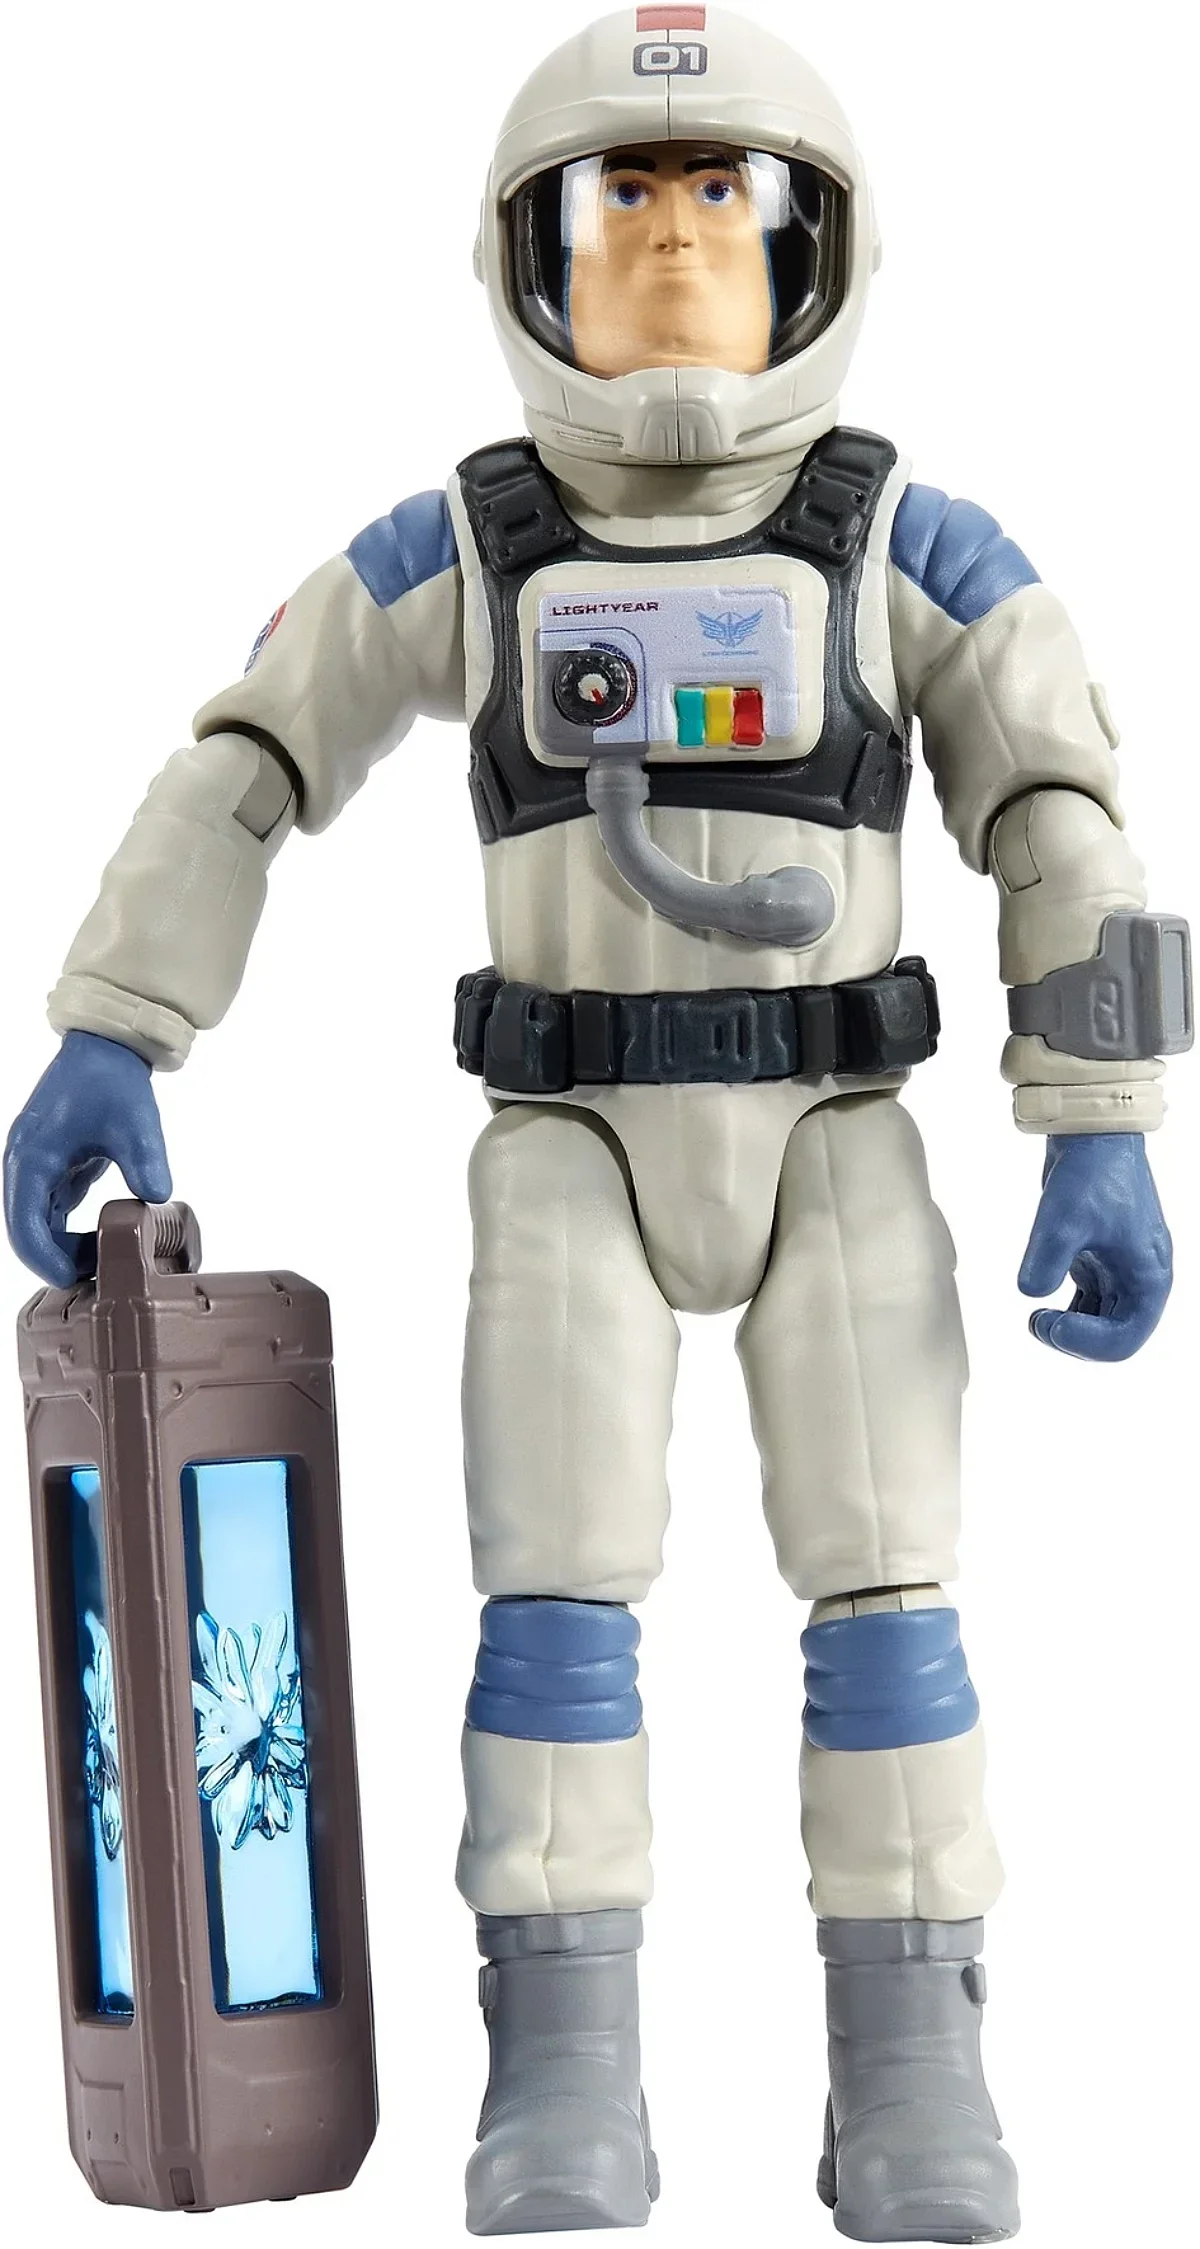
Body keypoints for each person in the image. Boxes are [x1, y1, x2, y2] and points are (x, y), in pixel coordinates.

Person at [5, 8, 1191, 2241]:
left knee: (889, 1583)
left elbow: (1068, 812)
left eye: (720, 197)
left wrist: (1104, 1117)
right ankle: (559, 2059)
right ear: (527, 252)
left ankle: (914, 2051)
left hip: (838, 1131)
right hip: (567, 1138)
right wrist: (117, 1023)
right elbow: (251, 757)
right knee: (551, 1589)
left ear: (814, 247)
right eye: (620, 199)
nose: (669, 243)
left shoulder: (912, 542)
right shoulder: (469, 541)